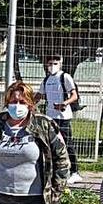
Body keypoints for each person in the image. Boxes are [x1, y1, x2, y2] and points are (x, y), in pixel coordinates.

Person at [35, 55, 82, 185]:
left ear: (60, 64)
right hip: (50, 116)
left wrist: (65, 103)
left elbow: (74, 95)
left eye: (55, 63)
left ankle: (75, 171)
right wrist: (30, 104)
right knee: (51, 143)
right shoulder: (46, 80)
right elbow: (39, 95)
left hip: (63, 117)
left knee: (67, 143)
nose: (52, 66)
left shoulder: (65, 77)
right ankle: (55, 170)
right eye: (50, 63)